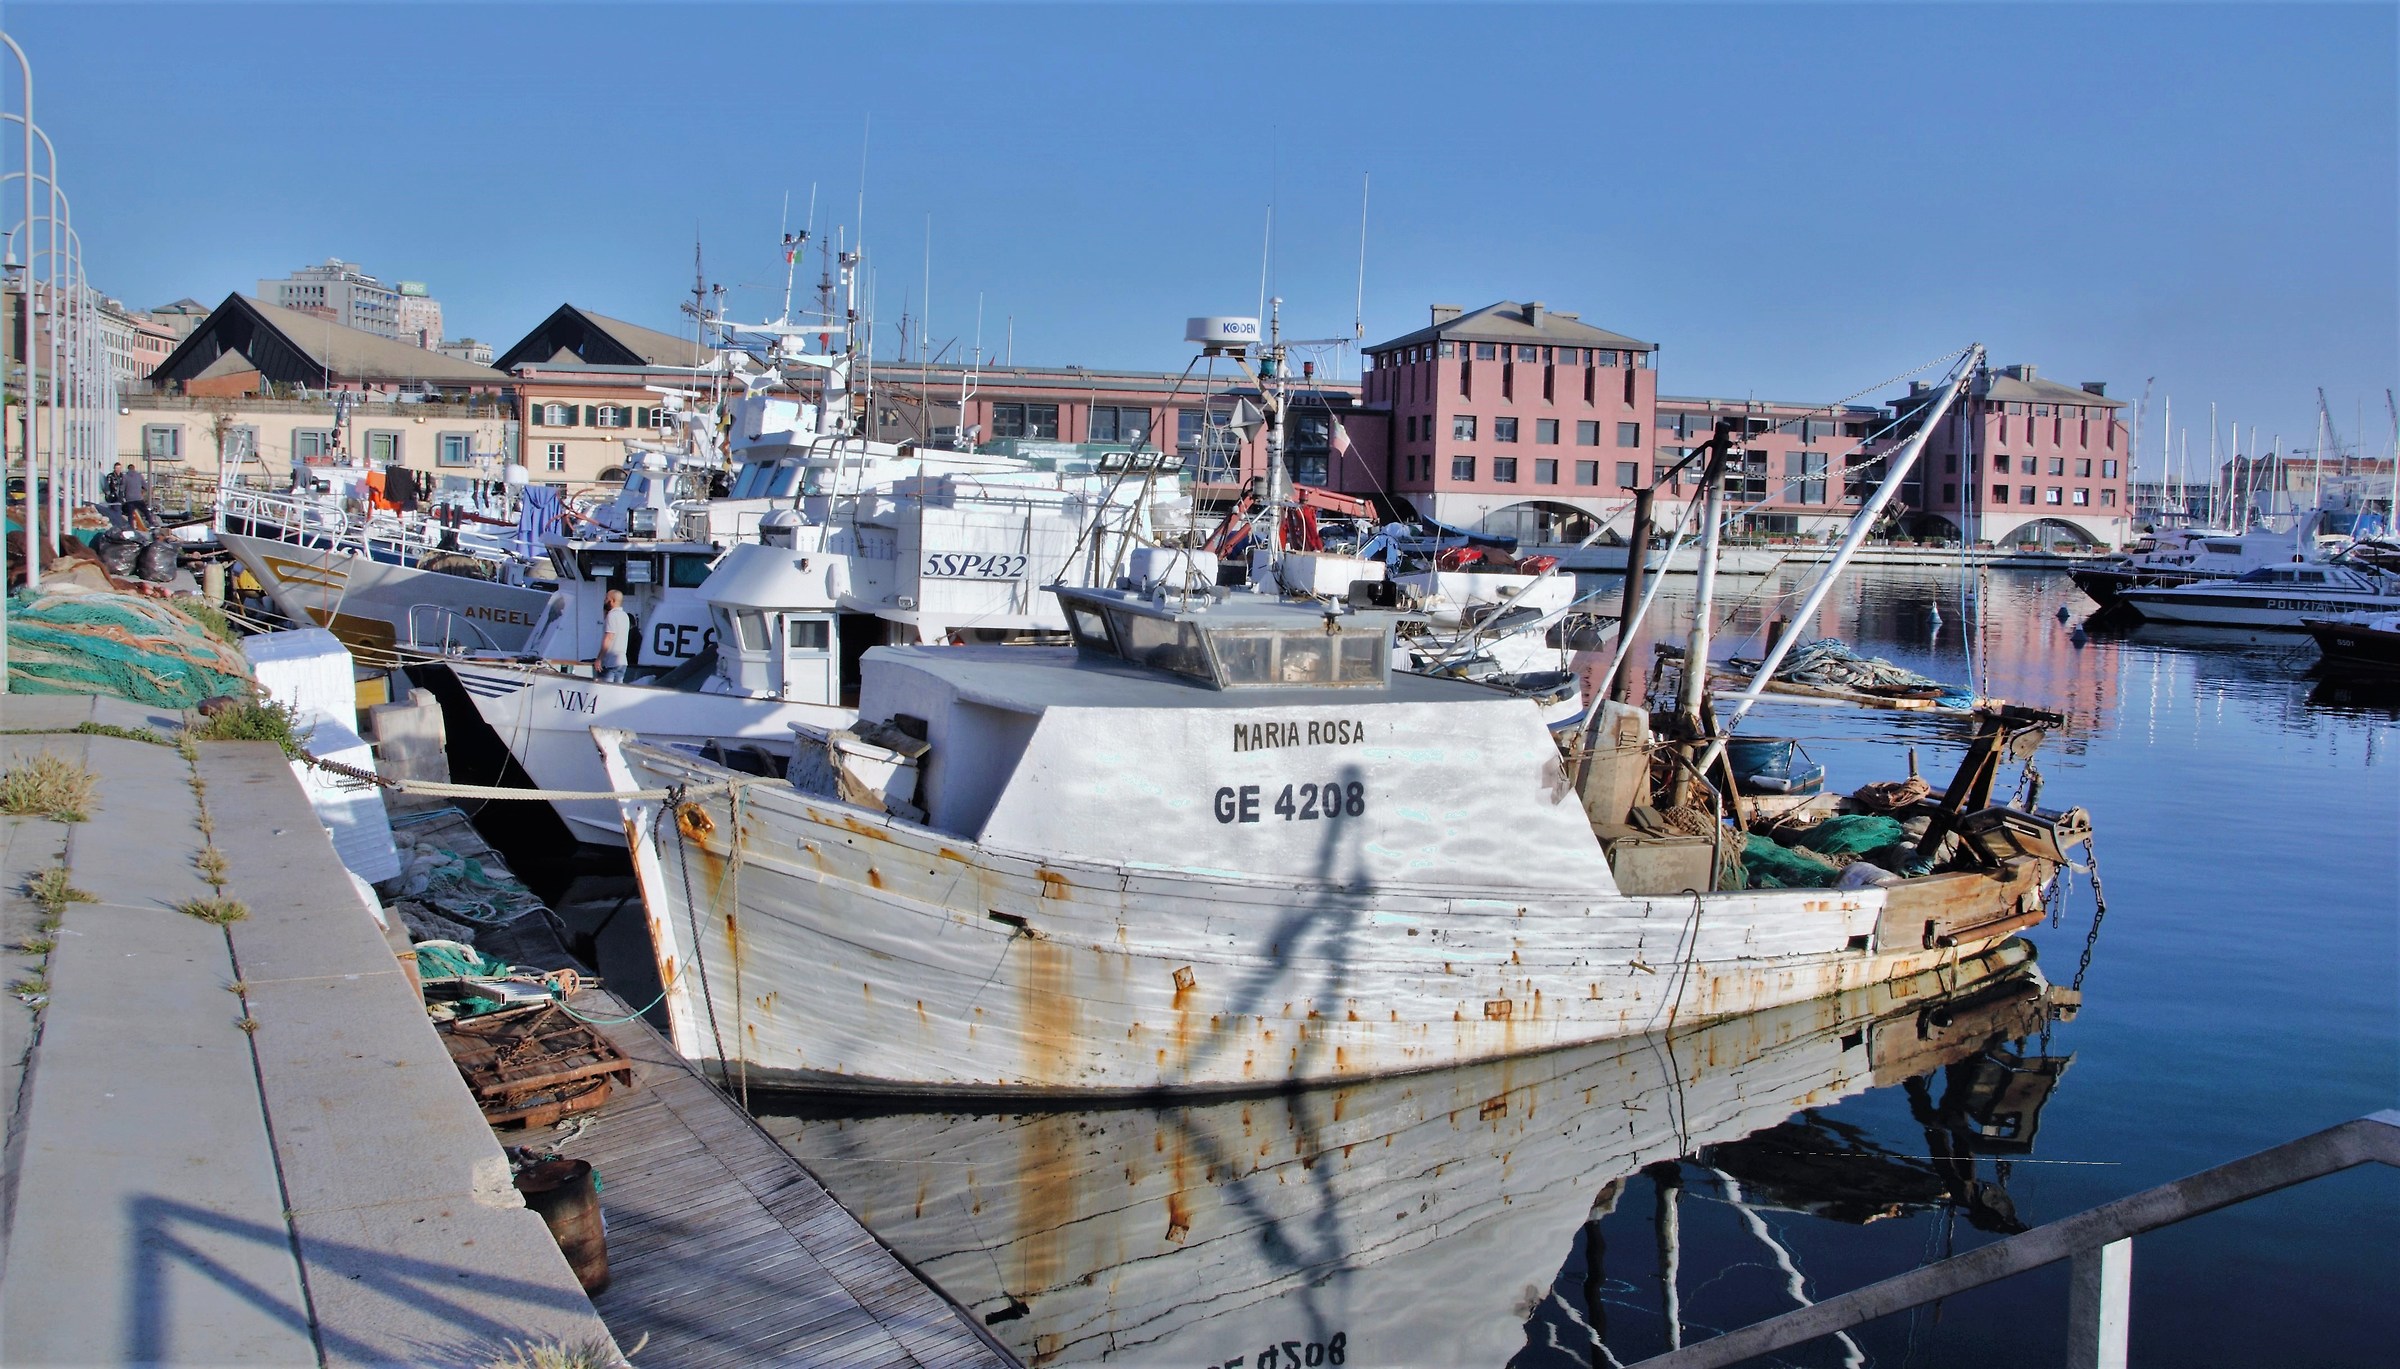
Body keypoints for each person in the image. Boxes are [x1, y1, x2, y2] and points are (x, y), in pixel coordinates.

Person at [597, 588, 630, 683]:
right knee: (618, 689)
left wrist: (599, 658)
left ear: (613, 601)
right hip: (622, 661)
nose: (604, 601)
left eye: (606, 598)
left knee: (606, 691)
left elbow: (609, 637)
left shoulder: (612, 616)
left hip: (611, 661)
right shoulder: (625, 616)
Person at [119, 463, 152, 527]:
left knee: (130, 514)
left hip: (129, 499)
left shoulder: (125, 476)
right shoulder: (139, 476)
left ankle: (131, 526)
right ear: (134, 468)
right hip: (138, 498)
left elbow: (122, 488)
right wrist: (142, 491)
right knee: (145, 511)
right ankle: (151, 522)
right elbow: (145, 486)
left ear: (128, 469)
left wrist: (122, 496)